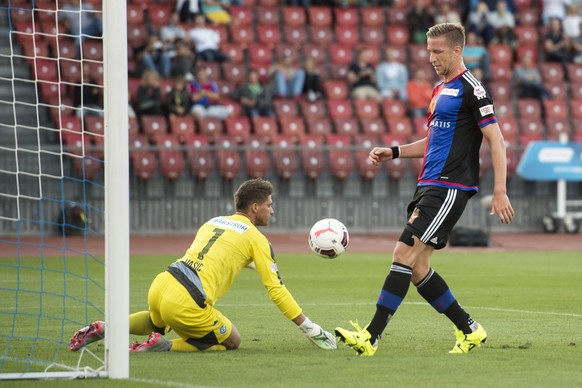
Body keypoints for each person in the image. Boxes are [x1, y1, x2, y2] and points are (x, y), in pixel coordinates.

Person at [335, 23, 515, 356]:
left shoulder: (473, 89)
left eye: (438, 51)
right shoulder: (439, 90)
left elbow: (496, 140)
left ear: (457, 50)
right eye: (429, 50)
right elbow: (433, 140)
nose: (431, 57)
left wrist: (500, 190)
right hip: (428, 184)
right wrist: (395, 152)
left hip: (450, 187)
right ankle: (470, 330)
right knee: (417, 267)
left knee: (402, 253)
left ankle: (371, 337)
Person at [69, 178, 336, 353]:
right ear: (255, 207)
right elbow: (276, 290)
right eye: (269, 205)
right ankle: (164, 346)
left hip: (162, 284)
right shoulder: (257, 238)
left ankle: (108, 327)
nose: (272, 210)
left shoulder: (214, 221)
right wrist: (311, 328)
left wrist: (252, 264)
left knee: (155, 320)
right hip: (187, 302)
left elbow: (217, 255)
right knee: (232, 341)